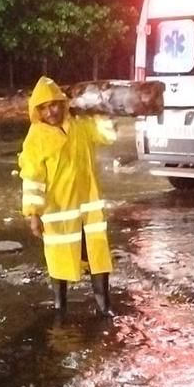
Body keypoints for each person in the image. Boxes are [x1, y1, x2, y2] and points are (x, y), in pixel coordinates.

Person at [19, 76, 116, 317]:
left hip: (89, 208)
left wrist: (101, 112)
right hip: (58, 211)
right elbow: (32, 178)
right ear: (37, 111)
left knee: (98, 257)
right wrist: (34, 214)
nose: (50, 111)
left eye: (54, 105)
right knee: (59, 259)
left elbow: (107, 136)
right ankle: (60, 308)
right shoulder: (36, 138)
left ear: (63, 104)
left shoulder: (81, 125)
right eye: (43, 107)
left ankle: (105, 308)